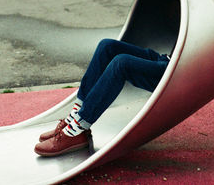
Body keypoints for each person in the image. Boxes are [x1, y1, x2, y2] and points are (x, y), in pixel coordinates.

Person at [34, 38, 171, 156]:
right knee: (107, 46)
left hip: (174, 69)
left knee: (121, 63)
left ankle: (78, 126)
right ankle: (76, 114)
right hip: (167, 57)